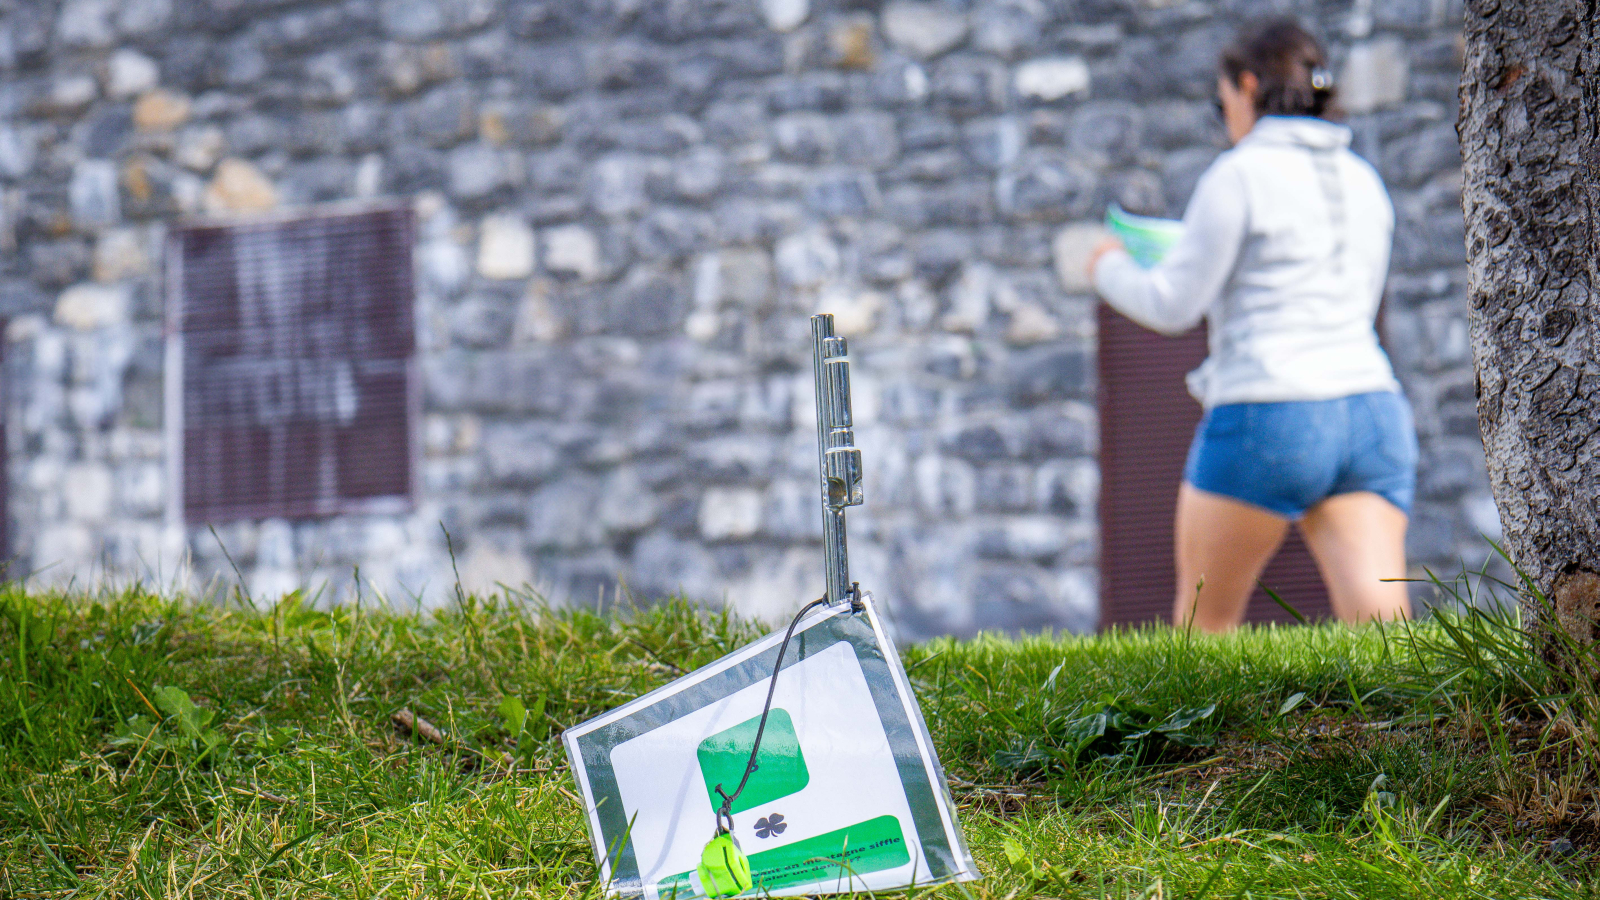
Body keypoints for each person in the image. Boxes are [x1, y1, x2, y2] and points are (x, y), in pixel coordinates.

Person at [1087, 17, 1416, 632]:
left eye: (1222, 104)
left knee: (1200, 637)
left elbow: (1172, 305)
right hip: (1370, 412)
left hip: (1270, 414)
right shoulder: (1364, 180)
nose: (1226, 117)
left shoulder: (1238, 175)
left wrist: (1106, 268)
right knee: (1388, 644)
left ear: (1245, 86)